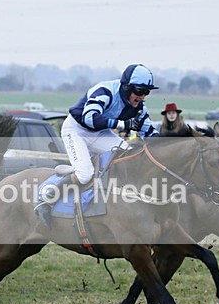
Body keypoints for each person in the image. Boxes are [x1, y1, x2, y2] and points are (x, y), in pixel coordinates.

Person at [34, 63, 160, 228]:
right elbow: (89, 119)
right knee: (85, 174)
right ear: (126, 87)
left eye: (146, 92)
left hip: (100, 133)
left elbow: (150, 133)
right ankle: (46, 197)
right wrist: (123, 124)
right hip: (77, 130)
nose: (142, 96)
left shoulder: (139, 108)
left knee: (129, 158)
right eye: (139, 91)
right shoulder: (105, 91)